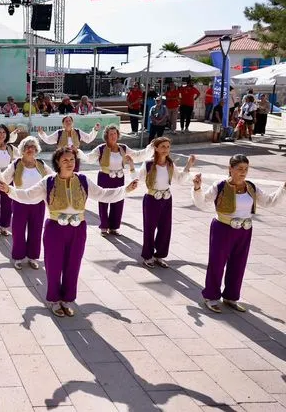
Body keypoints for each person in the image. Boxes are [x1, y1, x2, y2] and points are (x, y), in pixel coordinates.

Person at [0, 147, 138, 317]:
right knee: (53, 265)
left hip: (78, 229)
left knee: (73, 265)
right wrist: (9, 190)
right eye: (65, 160)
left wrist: (126, 190)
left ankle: (67, 299)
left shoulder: (83, 180)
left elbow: (103, 194)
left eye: (72, 160)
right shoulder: (48, 181)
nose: (70, 163)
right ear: (57, 162)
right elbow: (28, 196)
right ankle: (54, 300)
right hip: (55, 229)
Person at [192, 155, 285, 313]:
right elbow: (201, 203)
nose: (243, 172)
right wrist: (197, 188)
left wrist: (283, 189)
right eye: (239, 169)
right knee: (217, 263)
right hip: (222, 228)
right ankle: (211, 297)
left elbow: (269, 202)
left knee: (238, 264)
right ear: (230, 169)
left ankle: (231, 297)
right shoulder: (220, 185)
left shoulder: (251, 187)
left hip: (244, 230)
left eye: (246, 169)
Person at [0, 136, 54, 269]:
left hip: (38, 204)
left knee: (35, 231)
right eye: (27, 147)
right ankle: (18, 257)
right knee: (18, 231)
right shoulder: (16, 164)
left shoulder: (41, 164)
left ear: (37, 149)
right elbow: (3, 179)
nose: (30, 149)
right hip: (19, 202)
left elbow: (53, 178)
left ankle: (33, 257)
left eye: (33, 147)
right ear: (22, 150)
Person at [132, 137, 195, 268]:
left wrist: (189, 165)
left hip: (166, 199)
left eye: (167, 147)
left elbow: (180, 179)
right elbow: (139, 177)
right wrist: (132, 166)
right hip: (151, 199)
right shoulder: (149, 164)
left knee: (165, 228)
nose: (166, 149)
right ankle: (148, 256)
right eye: (163, 146)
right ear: (156, 148)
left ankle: (159, 255)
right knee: (149, 229)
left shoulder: (170, 164)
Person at [78, 124, 151, 236]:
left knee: (118, 201)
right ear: (106, 136)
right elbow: (88, 158)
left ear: (118, 135)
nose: (113, 136)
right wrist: (78, 152)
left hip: (119, 178)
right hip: (104, 177)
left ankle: (114, 227)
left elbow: (137, 156)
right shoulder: (101, 148)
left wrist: (150, 148)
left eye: (115, 133)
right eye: (110, 134)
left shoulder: (123, 148)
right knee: (103, 201)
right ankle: (104, 227)